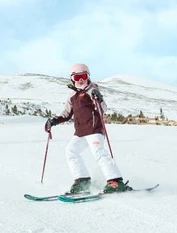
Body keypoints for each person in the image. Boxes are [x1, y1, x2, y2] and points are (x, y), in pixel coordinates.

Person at [45, 63, 127, 193]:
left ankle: (115, 181)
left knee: (99, 153)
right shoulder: (72, 96)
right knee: (71, 151)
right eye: (77, 78)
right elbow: (66, 114)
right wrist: (54, 120)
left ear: (88, 76)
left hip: (94, 129)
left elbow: (103, 108)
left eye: (83, 76)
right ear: (72, 79)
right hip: (80, 132)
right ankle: (82, 180)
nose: (81, 80)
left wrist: (98, 99)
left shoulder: (93, 90)